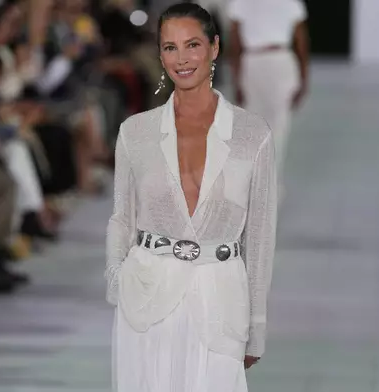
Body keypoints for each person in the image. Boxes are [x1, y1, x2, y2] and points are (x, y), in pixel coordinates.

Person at [106, 3, 277, 391]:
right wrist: (117, 283)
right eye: (169, 47)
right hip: (147, 298)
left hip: (221, 297)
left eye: (192, 45)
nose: (181, 59)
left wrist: (257, 327)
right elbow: (122, 217)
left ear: (215, 47)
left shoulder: (252, 135)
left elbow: (261, 235)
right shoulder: (136, 132)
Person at [228, 0, 309, 202]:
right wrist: (304, 77)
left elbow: (234, 41)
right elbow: (301, 39)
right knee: (278, 129)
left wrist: (237, 79)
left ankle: (253, 189)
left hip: (253, 61)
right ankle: (270, 189)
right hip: (280, 59)